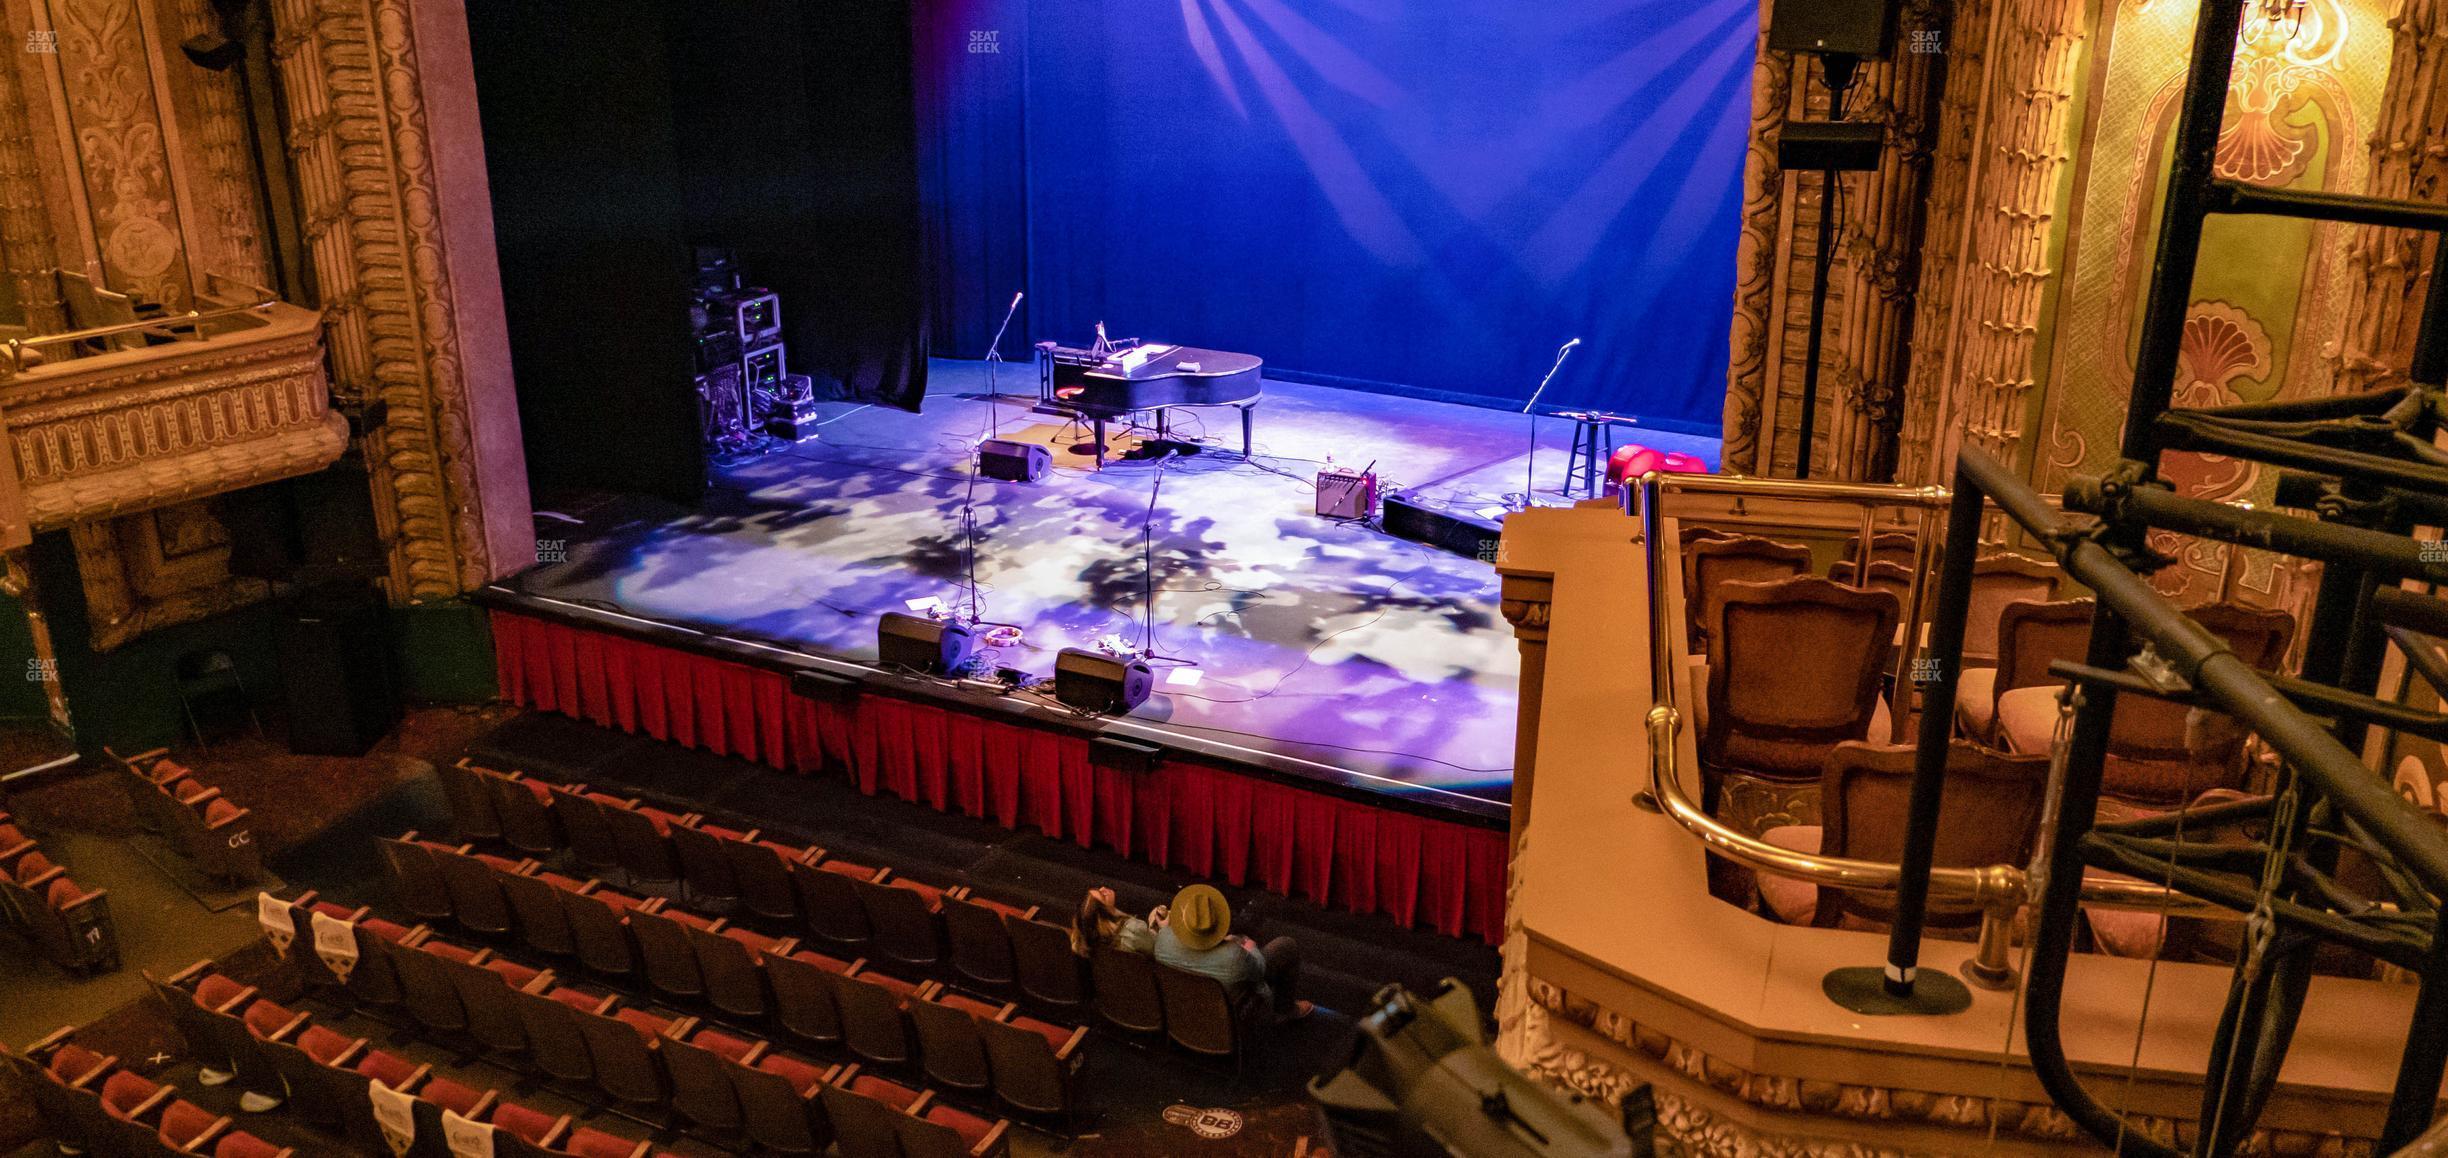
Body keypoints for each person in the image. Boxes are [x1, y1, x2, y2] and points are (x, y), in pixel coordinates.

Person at [1152, 884, 1311, 1020]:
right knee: (1286, 945)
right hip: (1226, 1014)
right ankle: (1285, 1009)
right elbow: (1259, 970)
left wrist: (1164, 926)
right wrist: (1248, 946)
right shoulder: (1234, 955)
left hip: (1182, 1012)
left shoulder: (1163, 939)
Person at [1070, 886, 1156, 956]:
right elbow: (1158, 950)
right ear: (1102, 917)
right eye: (1102, 895)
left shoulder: (1100, 945)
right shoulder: (1132, 931)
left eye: (1098, 889)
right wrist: (1162, 927)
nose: (1103, 888)